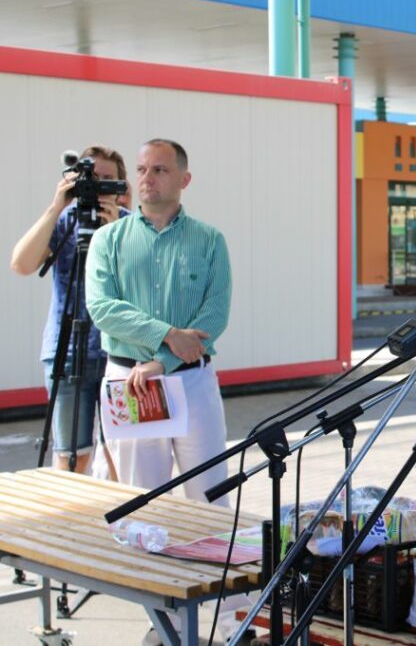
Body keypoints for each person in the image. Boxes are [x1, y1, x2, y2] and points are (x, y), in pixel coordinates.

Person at [85, 139, 254, 645]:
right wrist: (165, 334)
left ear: (184, 178)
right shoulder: (108, 241)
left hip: (189, 381)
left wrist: (167, 357)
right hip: (130, 383)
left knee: (208, 498)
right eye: (141, 169)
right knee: (145, 503)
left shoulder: (209, 240)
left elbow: (214, 316)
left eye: (159, 169)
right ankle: (163, 622)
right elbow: (102, 308)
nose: (146, 178)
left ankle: (230, 622)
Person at [10, 146, 129, 474]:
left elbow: (141, 285)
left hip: (117, 354)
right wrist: (56, 205)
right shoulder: (66, 222)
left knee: (120, 452)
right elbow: (21, 263)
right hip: (66, 350)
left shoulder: (131, 226)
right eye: (92, 180)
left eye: (108, 180)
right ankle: (67, 520)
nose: (98, 187)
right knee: (71, 454)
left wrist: (114, 230)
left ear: (121, 187)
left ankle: (119, 521)